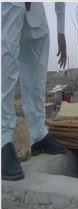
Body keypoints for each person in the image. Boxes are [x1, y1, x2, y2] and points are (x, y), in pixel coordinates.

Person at [2, 2, 67, 181]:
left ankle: (38, 133)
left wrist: (60, 28)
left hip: (36, 8)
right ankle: (2, 139)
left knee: (37, 67)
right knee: (5, 56)